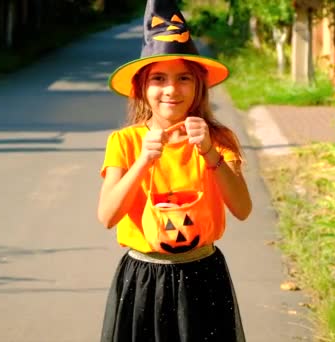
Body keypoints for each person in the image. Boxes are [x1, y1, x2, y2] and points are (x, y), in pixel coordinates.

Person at [97, 0, 252, 340]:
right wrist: (143, 162)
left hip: (203, 275)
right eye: (159, 79)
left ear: (198, 86)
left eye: (183, 78)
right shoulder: (124, 142)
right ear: (141, 87)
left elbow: (242, 208)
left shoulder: (218, 139)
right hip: (143, 277)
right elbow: (107, 216)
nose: (171, 89)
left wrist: (209, 153)